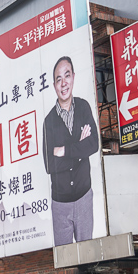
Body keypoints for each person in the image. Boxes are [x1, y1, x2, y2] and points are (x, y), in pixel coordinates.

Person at [41, 55, 100, 246]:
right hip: (60, 204)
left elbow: (94, 145)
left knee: (87, 259)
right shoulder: (48, 122)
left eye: (67, 76)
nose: (64, 83)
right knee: (65, 261)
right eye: (59, 79)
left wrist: (64, 150)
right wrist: (80, 150)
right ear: (54, 84)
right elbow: (50, 165)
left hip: (84, 195)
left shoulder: (83, 107)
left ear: (73, 77)